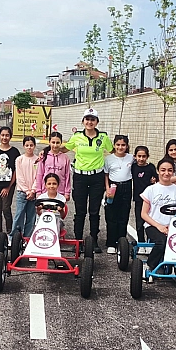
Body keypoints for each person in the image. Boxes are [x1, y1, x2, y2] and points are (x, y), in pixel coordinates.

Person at [49, 108, 112, 252]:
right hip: (80, 177)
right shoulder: (77, 136)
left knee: (94, 211)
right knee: (80, 211)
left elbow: (113, 151)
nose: (89, 122)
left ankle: (93, 241)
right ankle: (78, 241)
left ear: (97, 122)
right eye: (87, 119)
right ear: (83, 121)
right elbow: (63, 149)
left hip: (97, 177)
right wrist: (47, 151)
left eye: (92, 119)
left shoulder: (103, 137)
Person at [140, 157, 176, 283]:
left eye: (169, 170)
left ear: (173, 172)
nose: (166, 173)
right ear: (158, 171)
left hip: (173, 226)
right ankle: (150, 266)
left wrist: (174, 225)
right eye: (163, 170)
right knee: (162, 242)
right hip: (153, 225)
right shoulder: (151, 189)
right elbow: (144, 214)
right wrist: (159, 226)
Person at [103, 135, 134, 254]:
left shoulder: (131, 158)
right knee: (111, 215)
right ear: (114, 145)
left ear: (127, 146)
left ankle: (121, 242)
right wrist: (107, 189)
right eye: (118, 145)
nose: (120, 147)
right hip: (112, 186)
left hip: (126, 187)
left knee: (124, 215)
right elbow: (106, 174)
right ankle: (111, 243)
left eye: (123, 145)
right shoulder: (108, 159)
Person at [0, 126, 20, 235]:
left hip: (9, 185)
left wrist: (8, 187)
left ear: (10, 136)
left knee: (6, 208)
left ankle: (10, 231)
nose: (4, 137)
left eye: (7, 135)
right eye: (2, 135)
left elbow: (16, 171)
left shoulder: (15, 152)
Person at [131, 145, 158, 250]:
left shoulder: (151, 167)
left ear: (147, 156)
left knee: (151, 221)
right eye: (139, 156)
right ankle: (141, 243)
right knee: (139, 223)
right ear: (135, 156)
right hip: (139, 199)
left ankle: (151, 242)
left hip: (150, 199)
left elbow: (156, 179)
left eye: (144, 156)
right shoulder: (133, 167)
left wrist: (154, 180)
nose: (141, 159)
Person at [11, 136, 38, 238]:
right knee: (19, 215)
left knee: (31, 217)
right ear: (24, 146)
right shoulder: (19, 159)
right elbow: (20, 176)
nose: (29, 147)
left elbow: (38, 177)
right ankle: (14, 237)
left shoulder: (37, 160)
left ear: (34, 146)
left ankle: (27, 237)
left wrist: (33, 190)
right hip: (22, 192)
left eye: (31, 145)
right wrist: (27, 191)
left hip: (33, 193)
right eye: (27, 145)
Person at [34, 131, 71, 200]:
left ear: (61, 143)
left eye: (57, 143)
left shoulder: (65, 158)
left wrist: (67, 192)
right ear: (49, 142)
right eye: (53, 142)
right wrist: (38, 191)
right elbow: (39, 174)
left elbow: (67, 176)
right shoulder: (44, 157)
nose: (55, 145)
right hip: (45, 192)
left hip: (60, 192)